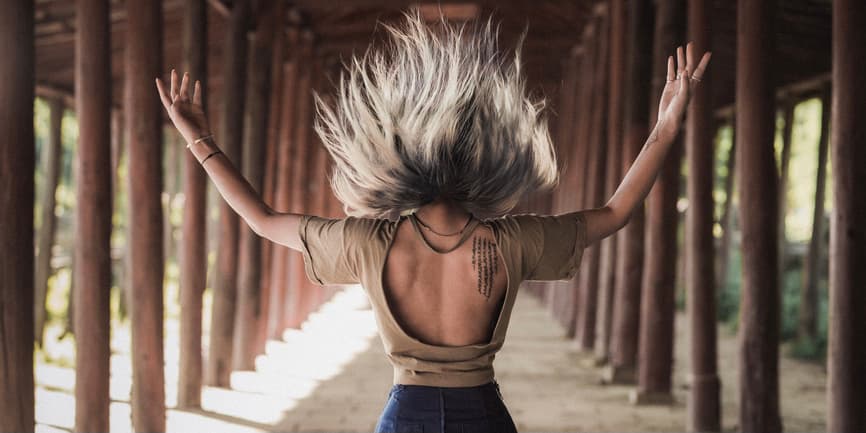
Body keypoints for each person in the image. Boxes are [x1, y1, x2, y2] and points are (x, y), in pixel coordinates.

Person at [155, 9, 710, 433]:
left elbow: (262, 219)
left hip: (407, 413)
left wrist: (197, 138)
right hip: (484, 412)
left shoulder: (369, 243)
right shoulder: (512, 240)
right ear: (490, 160)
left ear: (395, 159)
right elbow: (615, 212)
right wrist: (665, 127)